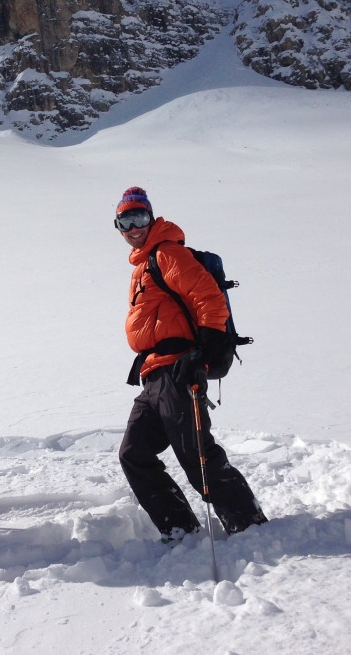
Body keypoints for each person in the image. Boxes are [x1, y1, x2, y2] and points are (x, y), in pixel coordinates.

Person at [114, 187, 267, 541]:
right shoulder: (142, 266)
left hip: (177, 369)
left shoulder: (167, 253)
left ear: (151, 218)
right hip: (153, 374)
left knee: (196, 454)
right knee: (133, 453)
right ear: (118, 226)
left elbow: (208, 296)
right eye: (126, 220)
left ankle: (248, 524)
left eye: (140, 217)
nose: (134, 227)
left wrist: (206, 350)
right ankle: (180, 528)